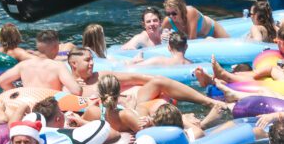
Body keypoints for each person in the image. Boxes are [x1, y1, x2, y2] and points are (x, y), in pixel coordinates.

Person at [67, 47, 226, 112]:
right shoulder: (70, 88)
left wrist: (162, 85)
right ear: (74, 64)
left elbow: (135, 78)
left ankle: (209, 102)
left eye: (92, 59)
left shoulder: (100, 75)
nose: (92, 63)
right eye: (87, 60)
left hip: (136, 101)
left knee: (157, 81)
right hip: (125, 111)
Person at [0, 29, 81, 93]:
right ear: (56, 47)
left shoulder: (23, 65)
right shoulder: (58, 66)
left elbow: (0, 81)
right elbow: (76, 91)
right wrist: (78, 83)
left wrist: (18, 93)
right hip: (49, 108)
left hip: (28, 104)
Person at [162, 0, 229, 39]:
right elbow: (157, 36)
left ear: (181, 10)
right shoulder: (168, 21)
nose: (171, 16)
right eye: (168, 13)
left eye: (174, 13)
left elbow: (192, 39)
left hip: (213, 31)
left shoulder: (191, 12)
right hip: (202, 39)